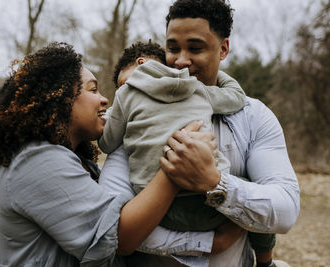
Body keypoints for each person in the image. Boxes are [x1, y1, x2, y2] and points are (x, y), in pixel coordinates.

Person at [0, 42, 220, 266]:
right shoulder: (36, 160)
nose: (104, 100)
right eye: (92, 90)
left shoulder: (74, 160)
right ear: (58, 98)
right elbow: (118, 238)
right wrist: (176, 161)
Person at [99, 0, 300, 266]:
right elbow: (112, 233)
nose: (181, 61)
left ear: (223, 48)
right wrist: (205, 244)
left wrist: (214, 182)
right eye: (172, 48)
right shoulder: (141, 114)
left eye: (195, 48)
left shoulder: (254, 116)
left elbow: (285, 210)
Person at [99, 41, 246, 232]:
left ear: (141, 63)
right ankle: (264, 259)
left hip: (157, 209)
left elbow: (106, 143)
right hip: (209, 199)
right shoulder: (196, 88)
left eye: (121, 83)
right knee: (250, 195)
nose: (119, 90)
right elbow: (236, 96)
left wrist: (112, 112)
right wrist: (212, 69)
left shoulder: (126, 94)